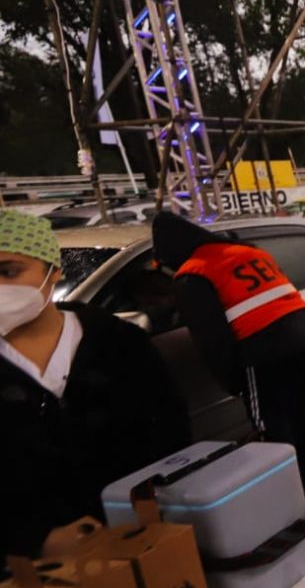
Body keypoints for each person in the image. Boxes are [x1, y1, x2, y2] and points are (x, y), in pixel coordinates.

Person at [0, 210, 189, 558]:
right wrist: (35, 542)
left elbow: (174, 444)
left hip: (147, 549)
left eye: (9, 271)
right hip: (38, 583)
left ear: (52, 272)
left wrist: (148, 516)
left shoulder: (121, 345)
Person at [151, 212, 305, 474]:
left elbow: (211, 338)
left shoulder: (194, 273)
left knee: (269, 421)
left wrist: (233, 381)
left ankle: (291, 488)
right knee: (297, 408)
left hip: (265, 347)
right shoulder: (246, 252)